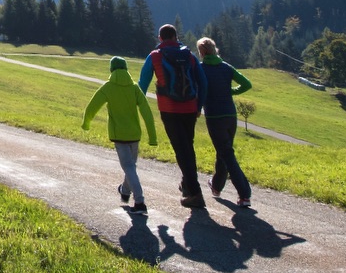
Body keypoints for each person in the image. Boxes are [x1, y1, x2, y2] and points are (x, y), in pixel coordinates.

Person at [139, 24, 208, 208]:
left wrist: (138, 105)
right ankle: (187, 185)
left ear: (160, 38)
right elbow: (203, 82)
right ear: (176, 37)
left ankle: (195, 193)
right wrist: (199, 105)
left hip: (169, 109)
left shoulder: (155, 56)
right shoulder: (190, 56)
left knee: (181, 149)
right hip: (190, 108)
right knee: (187, 146)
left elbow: (142, 84)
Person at [82, 56, 158, 215]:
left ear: (112, 70)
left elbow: (92, 106)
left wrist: (86, 123)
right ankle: (125, 190)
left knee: (129, 167)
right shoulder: (134, 88)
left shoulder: (108, 87)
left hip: (119, 135)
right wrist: (152, 136)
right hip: (134, 134)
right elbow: (147, 112)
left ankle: (139, 202)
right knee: (131, 166)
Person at [197, 37, 254, 208]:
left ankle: (245, 194)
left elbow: (197, 89)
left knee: (227, 154)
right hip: (231, 116)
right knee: (224, 151)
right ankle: (216, 186)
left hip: (214, 117)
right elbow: (246, 84)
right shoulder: (226, 67)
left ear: (202, 52)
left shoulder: (200, 69)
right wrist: (230, 91)